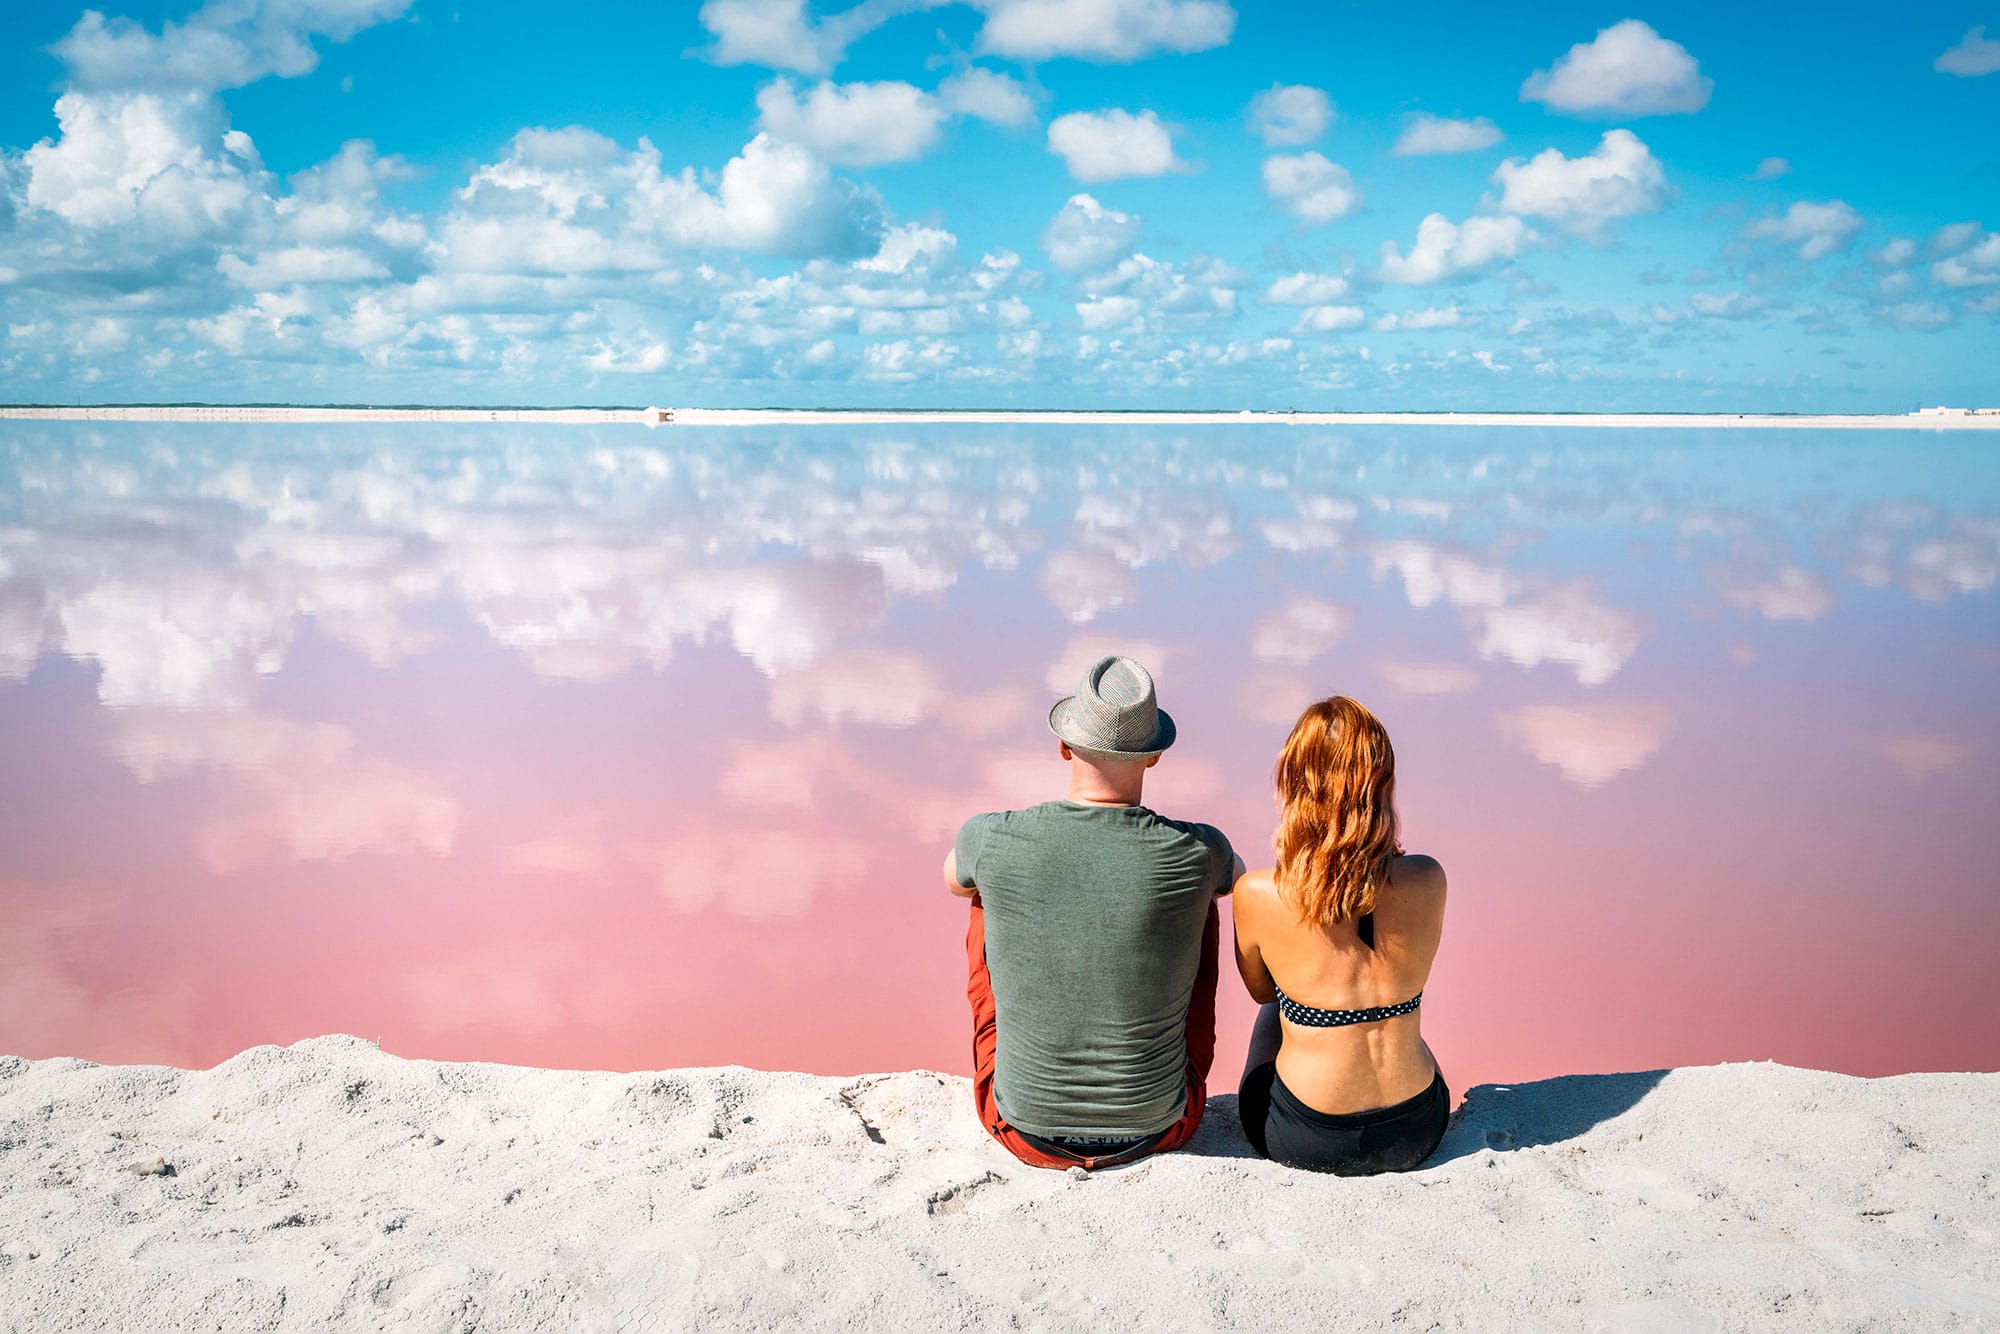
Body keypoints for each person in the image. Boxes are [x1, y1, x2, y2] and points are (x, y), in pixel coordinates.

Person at [945, 655, 1241, 1171]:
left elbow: (952, 876)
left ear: (1064, 746)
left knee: (983, 894)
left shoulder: (993, 835)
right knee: (1202, 897)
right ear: (1153, 758)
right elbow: (1237, 878)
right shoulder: (1197, 848)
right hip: (1163, 1126)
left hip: (1022, 1127)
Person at [1231, 696, 1450, 1175]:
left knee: (1280, 1003)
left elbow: (1261, 991)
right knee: (1390, 1002)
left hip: (1305, 1137)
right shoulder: (1429, 878)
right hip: (1417, 1127)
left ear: (1293, 783)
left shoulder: (1259, 892)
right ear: (1384, 782)